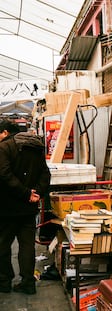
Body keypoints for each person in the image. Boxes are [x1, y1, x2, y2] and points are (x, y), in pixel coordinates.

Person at [0, 119, 51, 295]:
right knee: (27, 246)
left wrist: (25, 193)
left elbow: (4, 175)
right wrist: (37, 193)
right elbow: (46, 174)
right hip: (29, 208)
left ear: (5, 132)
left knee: (3, 246)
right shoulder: (35, 146)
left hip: (6, 208)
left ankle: (4, 282)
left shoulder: (4, 147)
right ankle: (28, 283)